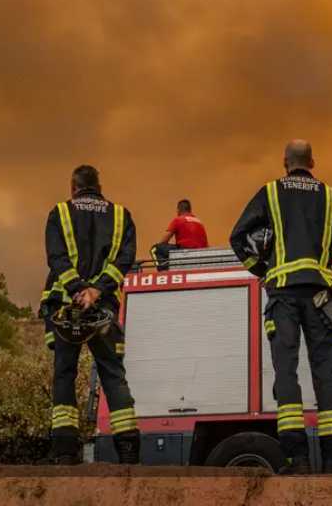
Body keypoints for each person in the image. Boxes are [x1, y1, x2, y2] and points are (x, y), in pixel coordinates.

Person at [229, 139, 332, 474]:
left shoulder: (269, 192)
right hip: (323, 297)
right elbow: (330, 243)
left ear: (285, 162)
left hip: (282, 294)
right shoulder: (331, 196)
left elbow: (237, 236)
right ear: (313, 161)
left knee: (286, 372)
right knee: (327, 374)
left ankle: (297, 459)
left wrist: (262, 269)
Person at [40, 165, 139, 464]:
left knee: (65, 373)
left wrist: (77, 289)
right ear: (99, 186)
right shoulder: (122, 216)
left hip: (65, 308)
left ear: (73, 187)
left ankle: (65, 452)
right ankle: (129, 451)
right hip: (103, 308)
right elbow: (125, 259)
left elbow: (56, 257)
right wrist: (97, 291)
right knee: (112, 373)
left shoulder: (59, 212)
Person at [151, 199, 209, 270]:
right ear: (189, 210)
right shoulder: (199, 222)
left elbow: (164, 241)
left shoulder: (178, 220)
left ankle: (163, 272)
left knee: (155, 249)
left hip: (184, 251)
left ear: (179, 210)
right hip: (202, 253)